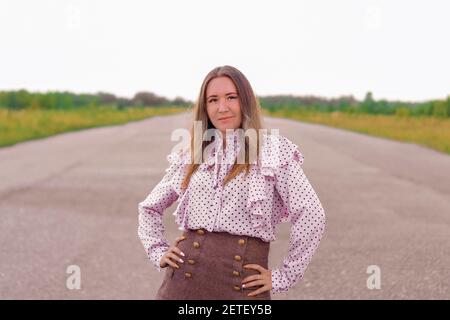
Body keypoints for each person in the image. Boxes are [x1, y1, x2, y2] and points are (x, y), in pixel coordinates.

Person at [138, 65, 326, 300]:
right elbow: (149, 207)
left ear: (245, 100)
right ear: (205, 108)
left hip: (242, 287)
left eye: (231, 97)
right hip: (182, 286)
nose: (222, 108)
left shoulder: (272, 150)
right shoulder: (194, 154)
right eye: (213, 100)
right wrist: (158, 251)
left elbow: (312, 214)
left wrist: (284, 276)